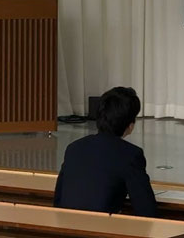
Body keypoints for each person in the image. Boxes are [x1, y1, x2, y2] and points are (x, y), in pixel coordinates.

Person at [54, 87, 157, 217]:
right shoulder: (131, 155)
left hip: (66, 225)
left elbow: (58, 200)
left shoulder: (74, 148)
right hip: (102, 226)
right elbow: (147, 210)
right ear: (130, 125)